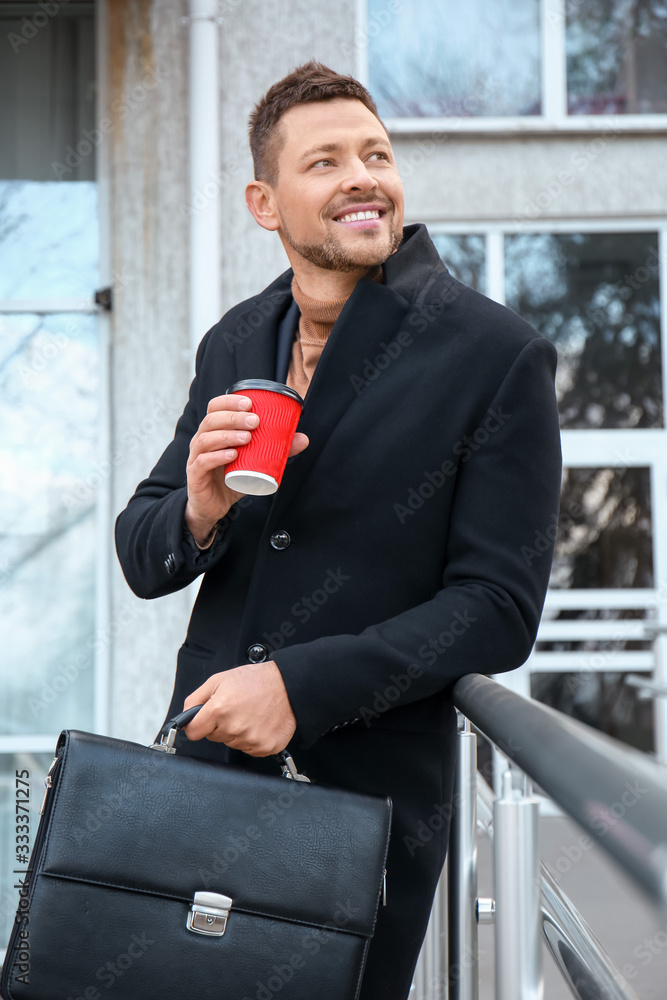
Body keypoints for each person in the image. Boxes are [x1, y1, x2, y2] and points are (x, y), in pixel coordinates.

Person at [115, 61, 562, 1000]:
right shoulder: (235, 339)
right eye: (324, 161)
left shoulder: (494, 353)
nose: (363, 175)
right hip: (204, 772)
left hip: (368, 805)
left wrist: (299, 685)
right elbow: (142, 551)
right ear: (264, 202)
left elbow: (495, 609)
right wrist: (197, 508)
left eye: (377, 155)